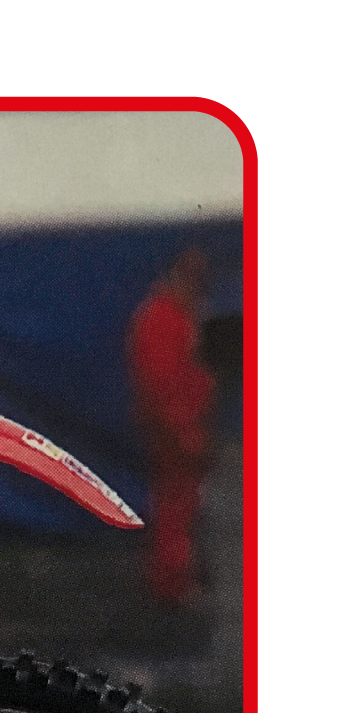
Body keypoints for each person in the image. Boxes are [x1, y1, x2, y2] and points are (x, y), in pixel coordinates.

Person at [127, 248, 217, 605]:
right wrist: (184, 432)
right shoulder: (163, 318)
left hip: (183, 426)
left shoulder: (177, 315)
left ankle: (175, 578)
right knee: (176, 508)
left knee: (182, 506)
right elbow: (162, 384)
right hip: (175, 430)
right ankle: (171, 583)